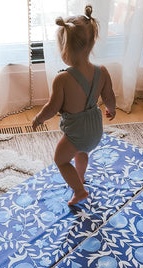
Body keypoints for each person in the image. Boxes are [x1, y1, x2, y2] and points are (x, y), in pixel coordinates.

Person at [32, 5, 116, 205]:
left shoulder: (62, 79)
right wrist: (111, 110)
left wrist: (38, 119)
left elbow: (52, 109)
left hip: (76, 132)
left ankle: (79, 191)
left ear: (64, 49)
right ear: (93, 42)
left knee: (60, 160)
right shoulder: (102, 71)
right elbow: (110, 97)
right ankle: (80, 176)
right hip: (95, 130)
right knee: (82, 151)